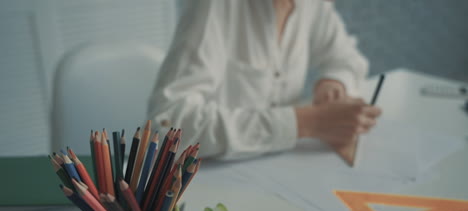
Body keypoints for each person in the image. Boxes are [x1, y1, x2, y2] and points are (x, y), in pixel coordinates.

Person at [147, 0, 382, 160]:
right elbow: (168, 123)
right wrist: (305, 123)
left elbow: (345, 58)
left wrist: (333, 82)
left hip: (282, 169)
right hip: (214, 179)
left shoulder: (312, 4)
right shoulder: (215, 6)